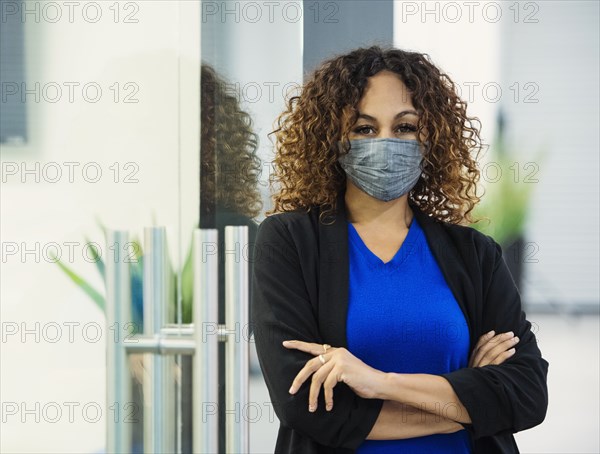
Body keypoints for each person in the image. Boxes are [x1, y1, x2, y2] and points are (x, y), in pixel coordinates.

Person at [251, 45, 549, 454]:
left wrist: (378, 382)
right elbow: (307, 407)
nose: (386, 142)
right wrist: (463, 406)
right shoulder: (289, 242)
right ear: (333, 138)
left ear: (430, 137)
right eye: (365, 129)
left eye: (405, 127)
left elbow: (526, 393)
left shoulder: (475, 254)